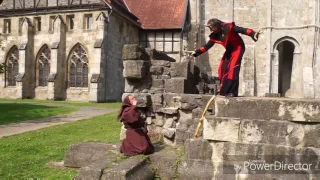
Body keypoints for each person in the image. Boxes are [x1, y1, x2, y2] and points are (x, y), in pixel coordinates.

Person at [192, 18, 260, 97]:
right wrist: (196, 52)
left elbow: (242, 30)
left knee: (233, 69)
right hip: (229, 51)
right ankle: (224, 91)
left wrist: (253, 34)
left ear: (217, 26)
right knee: (222, 69)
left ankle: (233, 92)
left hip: (238, 48)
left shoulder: (229, 27)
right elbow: (207, 46)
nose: (211, 30)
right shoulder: (215, 35)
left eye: (211, 27)